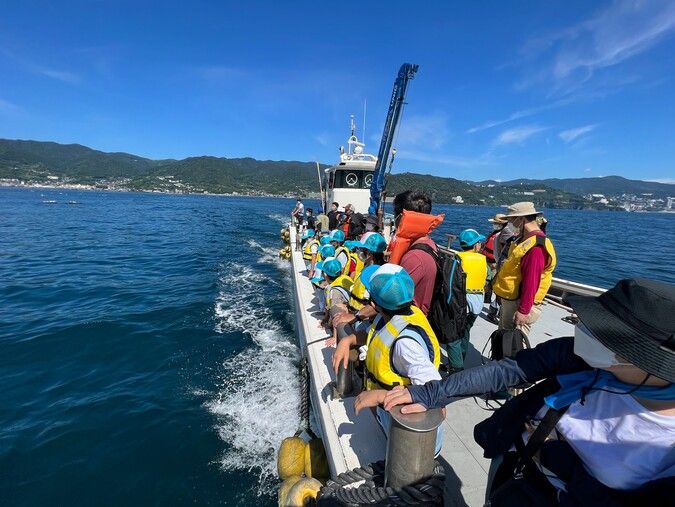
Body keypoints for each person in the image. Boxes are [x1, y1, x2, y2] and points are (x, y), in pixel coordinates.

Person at [380, 278, 675, 505]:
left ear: (643, 357)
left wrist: (555, 457)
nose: (582, 330)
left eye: (601, 332)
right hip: (517, 472)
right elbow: (506, 370)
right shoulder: (577, 358)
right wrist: (430, 394)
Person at [333, 264, 443, 454]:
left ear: (374, 305)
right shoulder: (395, 315)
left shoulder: (406, 344)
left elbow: (436, 393)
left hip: (411, 441)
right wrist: (349, 339)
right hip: (390, 418)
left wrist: (381, 396)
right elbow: (373, 336)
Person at [493, 202, 556, 338]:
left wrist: (523, 310)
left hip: (519, 302)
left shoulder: (536, 248)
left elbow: (531, 281)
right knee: (503, 338)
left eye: (511, 219)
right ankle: (501, 359)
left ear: (521, 219)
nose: (510, 223)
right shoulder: (523, 239)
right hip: (512, 299)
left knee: (513, 343)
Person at [446, 229, 489, 372]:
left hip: (461, 301)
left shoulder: (457, 258)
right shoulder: (483, 260)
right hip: (477, 303)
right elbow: (487, 278)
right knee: (465, 331)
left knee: (454, 333)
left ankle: (456, 366)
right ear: (476, 245)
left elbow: (450, 278)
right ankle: (461, 359)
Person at [394, 190, 438, 316]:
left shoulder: (415, 257)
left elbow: (394, 298)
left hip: (408, 322)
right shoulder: (429, 245)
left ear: (402, 217)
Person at [332, 233, 387, 329]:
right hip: (357, 316)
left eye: (361, 249)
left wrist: (354, 316)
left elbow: (378, 305)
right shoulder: (366, 266)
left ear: (369, 253)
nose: (358, 251)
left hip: (366, 323)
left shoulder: (377, 273)